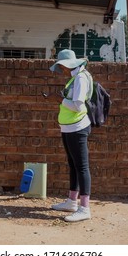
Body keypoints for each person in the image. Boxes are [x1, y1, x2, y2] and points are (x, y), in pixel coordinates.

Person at [47, 49, 93, 222]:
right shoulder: (75, 78)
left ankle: (84, 208)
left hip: (77, 128)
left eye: (61, 67)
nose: (62, 71)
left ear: (67, 65)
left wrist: (58, 99)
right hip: (69, 128)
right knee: (73, 166)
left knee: (81, 167)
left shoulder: (80, 78)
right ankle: (72, 202)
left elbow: (78, 106)